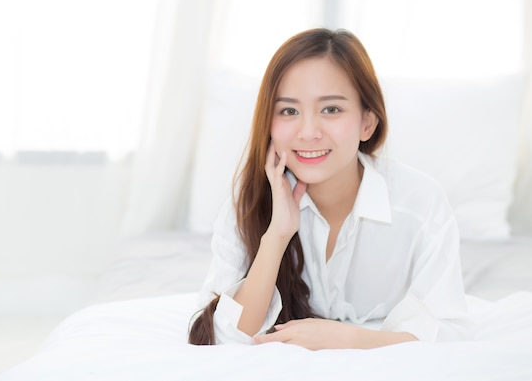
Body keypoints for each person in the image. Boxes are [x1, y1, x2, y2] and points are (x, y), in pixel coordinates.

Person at [188, 28, 473, 349]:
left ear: (368, 122)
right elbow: (223, 337)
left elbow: (451, 336)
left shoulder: (420, 202)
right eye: (289, 111)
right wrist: (277, 235)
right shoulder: (252, 202)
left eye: (331, 109)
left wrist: (348, 339)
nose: (309, 132)